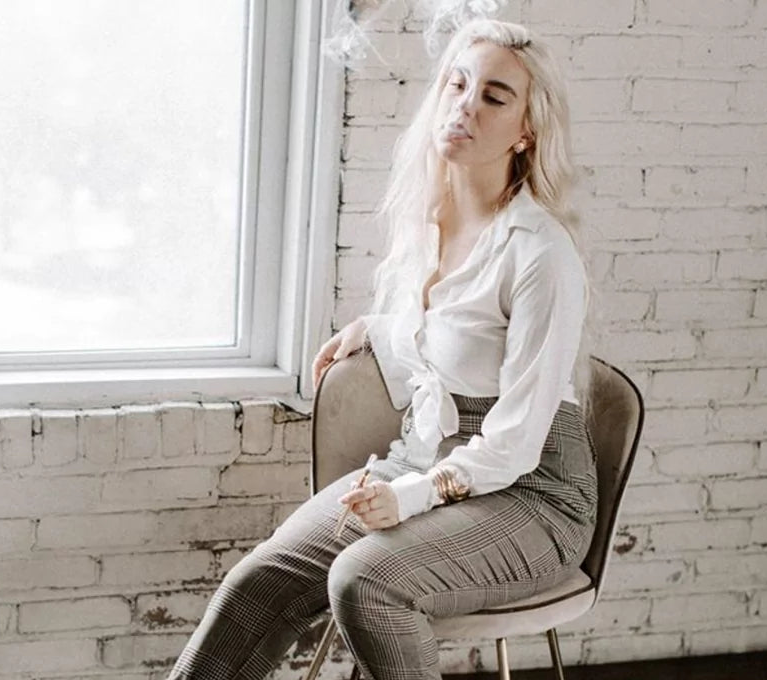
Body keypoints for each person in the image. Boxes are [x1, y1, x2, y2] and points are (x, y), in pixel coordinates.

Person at [166, 18, 597, 680]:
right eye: (457, 84)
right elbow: (445, 334)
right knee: (258, 583)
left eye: (494, 97)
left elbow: (514, 444)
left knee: (364, 581)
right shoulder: (426, 221)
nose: (465, 106)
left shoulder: (540, 253)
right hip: (425, 460)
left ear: (526, 132)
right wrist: (377, 326)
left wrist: (416, 496)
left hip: (531, 495)